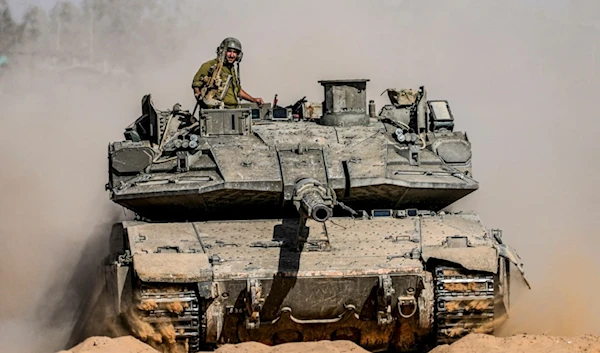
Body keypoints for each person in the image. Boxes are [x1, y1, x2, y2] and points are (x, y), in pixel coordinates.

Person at [191, 37, 264, 109]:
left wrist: (253, 99)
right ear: (222, 51)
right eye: (229, 51)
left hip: (232, 110)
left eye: (235, 52)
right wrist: (205, 104)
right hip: (216, 110)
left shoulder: (231, 69)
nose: (232, 55)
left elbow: (237, 90)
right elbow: (196, 85)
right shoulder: (210, 65)